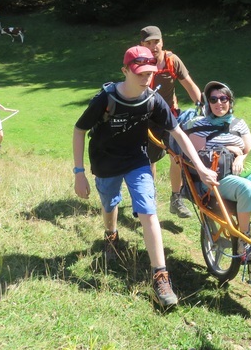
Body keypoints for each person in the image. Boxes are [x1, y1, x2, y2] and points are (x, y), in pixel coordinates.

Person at [72, 45, 218, 307]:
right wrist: (79, 173)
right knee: (110, 203)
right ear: (125, 71)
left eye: (149, 72)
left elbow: (178, 134)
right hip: (105, 161)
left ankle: (160, 276)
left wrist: (201, 167)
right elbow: (79, 129)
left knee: (148, 210)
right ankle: (111, 235)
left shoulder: (152, 99)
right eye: (139, 72)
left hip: (137, 160)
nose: (145, 78)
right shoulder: (105, 99)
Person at [187, 81, 251, 263]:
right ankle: (243, 241)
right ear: (208, 103)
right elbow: (198, 158)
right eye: (213, 99)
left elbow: (250, 152)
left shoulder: (239, 124)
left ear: (230, 101)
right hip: (216, 178)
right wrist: (229, 149)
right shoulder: (199, 126)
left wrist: (240, 157)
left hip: (240, 171)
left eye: (223, 98)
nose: (218, 103)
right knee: (246, 188)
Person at [139, 25, 203, 219]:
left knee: (178, 156)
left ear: (162, 41)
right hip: (146, 118)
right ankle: (149, 197)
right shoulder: (139, 63)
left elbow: (189, 85)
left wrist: (203, 107)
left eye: (156, 41)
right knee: (148, 159)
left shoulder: (172, 61)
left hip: (169, 116)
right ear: (141, 45)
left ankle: (176, 199)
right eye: (148, 43)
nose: (153, 46)